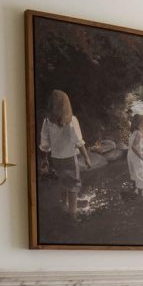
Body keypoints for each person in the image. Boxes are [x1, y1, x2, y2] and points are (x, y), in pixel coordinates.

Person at [39, 90, 91, 218]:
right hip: (69, 158)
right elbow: (79, 142)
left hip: (55, 159)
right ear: (66, 105)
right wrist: (86, 158)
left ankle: (63, 205)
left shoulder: (47, 121)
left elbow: (44, 143)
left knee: (63, 181)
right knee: (73, 185)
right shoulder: (71, 120)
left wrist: (44, 159)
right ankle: (73, 213)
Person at [127, 114, 143, 197]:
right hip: (135, 157)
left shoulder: (132, 132)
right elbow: (134, 147)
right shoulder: (139, 133)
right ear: (140, 124)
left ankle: (134, 188)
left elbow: (135, 146)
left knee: (133, 172)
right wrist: (142, 157)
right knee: (139, 172)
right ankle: (142, 192)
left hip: (130, 156)